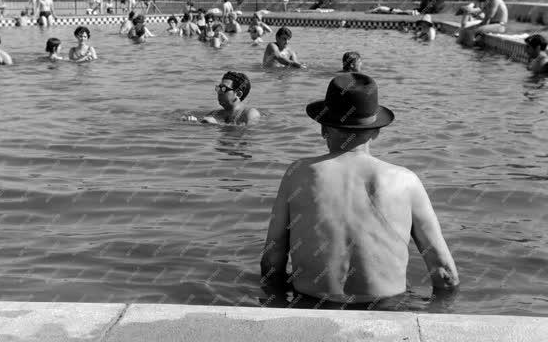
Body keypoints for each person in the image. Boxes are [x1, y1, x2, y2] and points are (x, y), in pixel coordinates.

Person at [260, 73, 459, 307]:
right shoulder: (406, 181)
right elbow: (445, 273)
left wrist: (280, 305)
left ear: (324, 128)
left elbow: (272, 261)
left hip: (313, 305)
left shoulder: (298, 174)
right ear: (376, 131)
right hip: (386, 311)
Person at [185, 71, 260, 126]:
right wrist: (192, 121)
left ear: (238, 94)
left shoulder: (250, 114)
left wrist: (217, 124)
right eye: (219, 88)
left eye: (224, 89)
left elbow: (247, 133)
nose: (219, 92)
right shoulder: (217, 114)